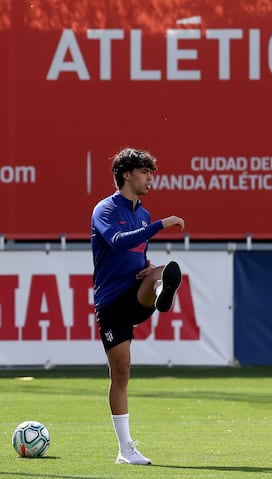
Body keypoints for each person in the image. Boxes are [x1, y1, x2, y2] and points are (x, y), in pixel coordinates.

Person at [91, 147, 184, 465]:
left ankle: (160, 291)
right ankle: (125, 449)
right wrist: (159, 225)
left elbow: (135, 252)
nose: (150, 179)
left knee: (158, 270)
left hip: (135, 292)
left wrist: (145, 265)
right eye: (145, 172)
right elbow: (117, 241)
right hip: (111, 302)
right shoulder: (104, 209)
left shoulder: (142, 213)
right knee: (121, 372)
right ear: (127, 174)